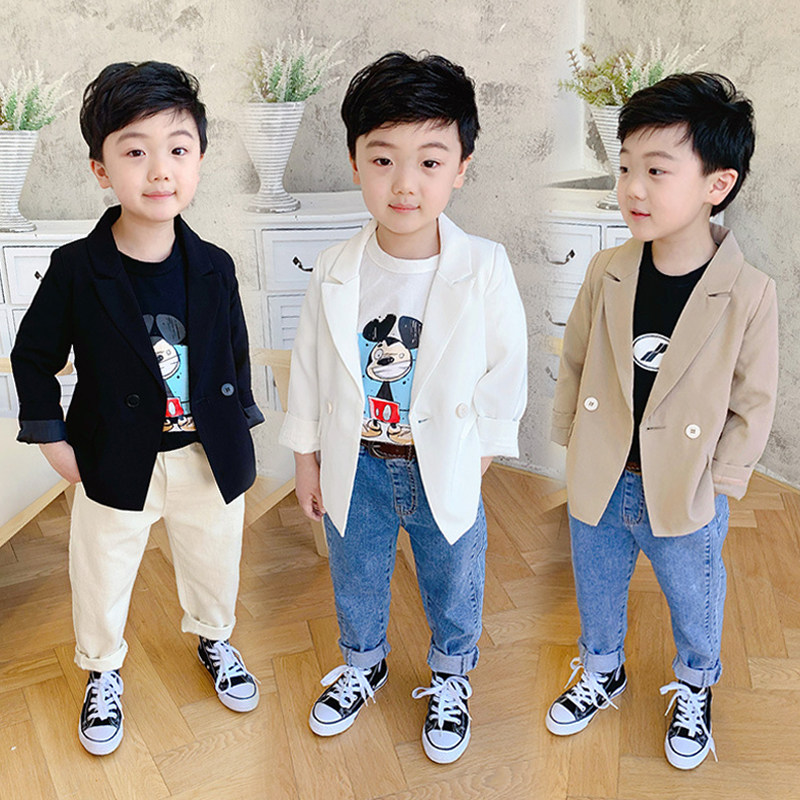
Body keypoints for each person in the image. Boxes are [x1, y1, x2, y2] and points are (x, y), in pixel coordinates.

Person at [279, 51, 527, 764]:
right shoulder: (336, 268)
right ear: (356, 163)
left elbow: (507, 367)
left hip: (443, 462)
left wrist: (479, 456)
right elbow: (310, 368)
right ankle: (363, 663)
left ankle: (451, 674)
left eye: (429, 161)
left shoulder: (484, 265)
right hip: (356, 460)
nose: (405, 183)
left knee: (454, 573)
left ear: (461, 167)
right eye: (383, 160)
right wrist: (306, 460)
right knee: (355, 570)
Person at [11, 61, 264, 756]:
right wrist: (52, 439)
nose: (159, 170)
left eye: (178, 149)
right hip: (113, 457)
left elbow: (233, 351)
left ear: (200, 160)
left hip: (205, 454)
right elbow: (32, 356)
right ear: (101, 169)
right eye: (134, 151)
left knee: (214, 558)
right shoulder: (76, 267)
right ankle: (102, 669)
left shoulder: (214, 264)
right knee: (101, 569)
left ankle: (214, 639)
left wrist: (241, 417)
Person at [546, 72, 778, 770]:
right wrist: (571, 440)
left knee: (694, 592)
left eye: (656, 170)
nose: (632, 188)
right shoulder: (607, 269)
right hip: (603, 471)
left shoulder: (749, 292)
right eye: (625, 168)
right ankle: (602, 668)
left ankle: (696, 683)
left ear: (717, 184)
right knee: (596, 584)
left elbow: (754, 397)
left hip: (684, 482)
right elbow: (576, 358)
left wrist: (723, 480)